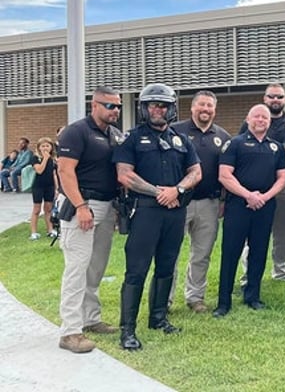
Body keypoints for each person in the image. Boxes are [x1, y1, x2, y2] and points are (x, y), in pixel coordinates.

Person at [113, 83, 202, 351]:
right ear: (143, 108)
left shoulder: (180, 139)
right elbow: (124, 174)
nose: (157, 110)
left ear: (172, 109)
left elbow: (196, 171)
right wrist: (158, 192)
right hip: (145, 211)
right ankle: (127, 330)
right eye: (152, 105)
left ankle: (158, 318)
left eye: (162, 105)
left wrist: (178, 189)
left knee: (166, 266)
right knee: (136, 270)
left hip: (175, 211)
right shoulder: (132, 138)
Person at [55, 86, 123, 353]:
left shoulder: (114, 135)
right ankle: (70, 331)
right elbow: (65, 170)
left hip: (107, 206)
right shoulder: (77, 131)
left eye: (117, 106)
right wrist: (80, 205)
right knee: (77, 267)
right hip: (82, 205)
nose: (115, 110)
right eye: (110, 106)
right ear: (94, 105)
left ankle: (91, 318)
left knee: (96, 266)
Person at [213, 104, 285, 317]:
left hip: (265, 206)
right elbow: (224, 175)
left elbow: (282, 177)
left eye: (265, 117)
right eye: (256, 116)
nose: (261, 120)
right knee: (231, 253)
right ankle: (223, 302)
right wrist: (248, 195)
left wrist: (264, 197)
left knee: (259, 252)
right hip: (238, 205)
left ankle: (252, 296)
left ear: (269, 121)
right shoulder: (235, 144)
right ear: (248, 119)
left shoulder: (276, 147)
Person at [169, 91, 231, 313]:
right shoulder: (175, 130)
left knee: (202, 253)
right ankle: (165, 299)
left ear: (215, 109)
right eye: (202, 105)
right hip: (179, 203)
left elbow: (227, 171)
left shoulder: (223, 136)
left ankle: (195, 297)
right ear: (192, 108)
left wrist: (223, 199)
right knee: (171, 252)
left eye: (210, 106)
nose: (206, 109)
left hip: (210, 203)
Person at [238, 83, 285, 284]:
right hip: (253, 189)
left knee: (282, 231)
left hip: (281, 189)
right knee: (250, 234)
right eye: (271, 96)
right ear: (264, 98)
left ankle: (281, 272)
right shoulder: (250, 124)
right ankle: (248, 275)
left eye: (279, 97)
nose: (275, 100)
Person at [29, 137, 58, 240]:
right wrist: (45, 158)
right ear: (39, 147)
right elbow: (39, 170)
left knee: (48, 209)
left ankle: (50, 230)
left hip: (49, 186)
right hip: (38, 186)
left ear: (51, 147)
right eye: (43, 146)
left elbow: (54, 174)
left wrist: (57, 188)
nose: (45, 148)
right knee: (37, 209)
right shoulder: (35, 158)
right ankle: (33, 232)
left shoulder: (54, 159)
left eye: (47, 146)